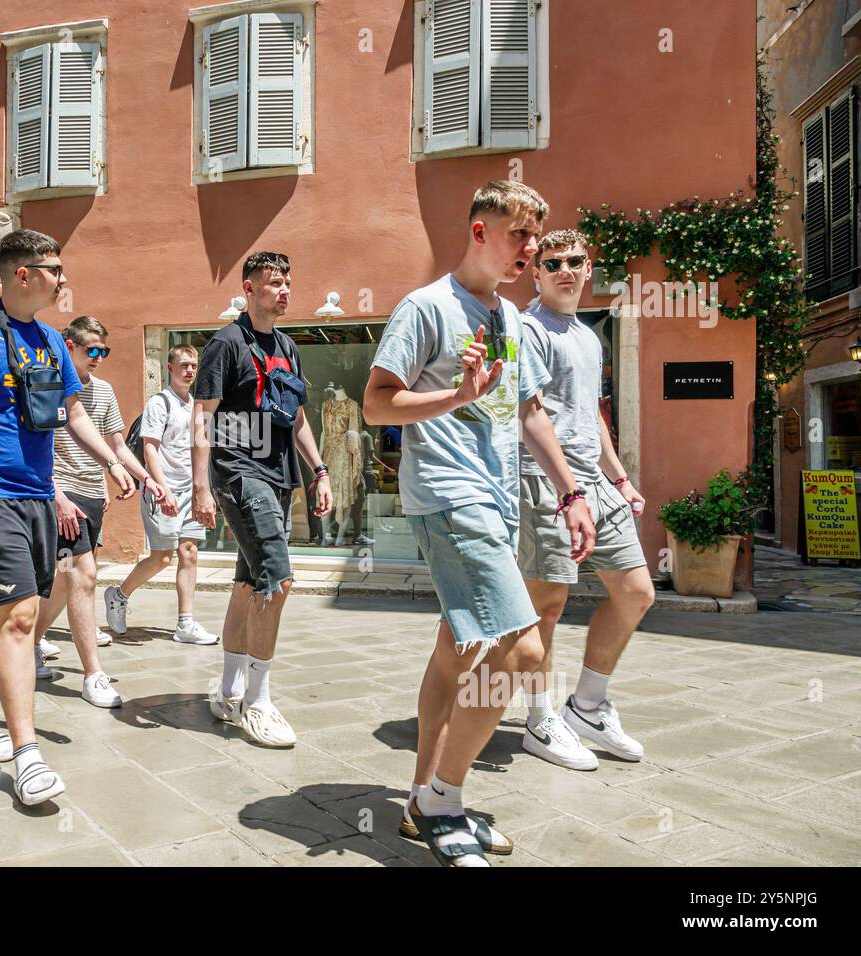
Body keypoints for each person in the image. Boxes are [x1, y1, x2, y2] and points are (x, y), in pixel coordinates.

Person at [363, 181, 595, 866]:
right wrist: (455, 395)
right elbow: (377, 405)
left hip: (498, 501)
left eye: (537, 236)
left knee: (458, 651)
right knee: (523, 652)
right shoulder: (427, 308)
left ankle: (419, 797)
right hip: (448, 496)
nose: (531, 248)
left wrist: (572, 490)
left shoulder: (515, 323)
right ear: (478, 232)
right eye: (519, 234)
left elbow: (528, 415)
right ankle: (444, 799)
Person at [0, 228, 132, 807]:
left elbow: (73, 416)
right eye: (55, 268)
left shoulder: (48, 339)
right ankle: (27, 754)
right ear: (24, 273)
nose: (64, 278)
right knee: (20, 617)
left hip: (37, 498)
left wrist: (120, 463)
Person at [515, 229, 655, 770]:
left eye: (575, 261)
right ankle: (540, 719)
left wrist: (620, 478)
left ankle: (589, 706)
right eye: (553, 264)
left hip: (594, 485)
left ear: (588, 267)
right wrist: (566, 486)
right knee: (546, 607)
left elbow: (592, 415)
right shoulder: (528, 330)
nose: (565, 271)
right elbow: (530, 413)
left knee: (636, 592)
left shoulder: (589, 336)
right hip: (545, 482)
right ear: (538, 272)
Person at [192, 251, 332, 748]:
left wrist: (320, 471)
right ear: (249, 289)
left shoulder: (289, 347)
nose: (285, 289)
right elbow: (202, 417)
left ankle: (229, 690)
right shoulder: (225, 344)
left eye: (287, 281)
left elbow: (296, 418)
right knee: (280, 578)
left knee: (249, 584)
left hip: (277, 473)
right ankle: (259, 702)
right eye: (274, 282)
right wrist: (201, 486)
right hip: (238, 471)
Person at [31, 315, 162, 707]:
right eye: (91, 349)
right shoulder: (48, 387)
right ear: (68, 344)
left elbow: (118, 447)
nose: (99, 357)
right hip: (62, 494)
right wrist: (57, 495)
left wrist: (145, 480)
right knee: (84, 576)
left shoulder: (102, 391)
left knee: (65, 579)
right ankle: (93, 675)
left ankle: (31, 643)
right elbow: (36, 449)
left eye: (104, 350)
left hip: (91, 496)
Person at [104, 343, 219, 645]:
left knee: (189, 553)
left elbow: (201, 447)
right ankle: (118, 595)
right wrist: (161, 488)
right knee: (162, 558)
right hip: (162, 491)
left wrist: (202, 487)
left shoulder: (196, 404)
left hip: (189, 491)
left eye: (193, 365)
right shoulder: (160, 403)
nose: (189, 370)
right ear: (170, 368)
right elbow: (149, 448)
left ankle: (186, 623)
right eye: (183, 365)